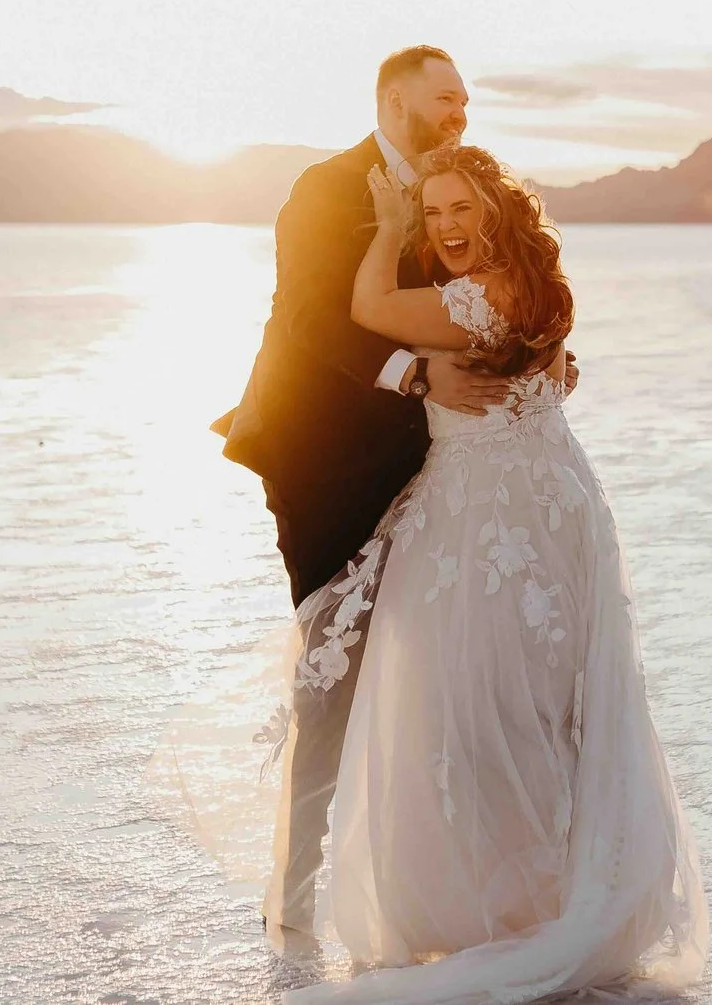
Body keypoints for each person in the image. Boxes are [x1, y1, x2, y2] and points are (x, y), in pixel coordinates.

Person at [264, 142, 706, 1003]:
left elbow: (363, 305)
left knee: (474, 716)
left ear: (499, 211)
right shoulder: (538, 288)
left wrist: (388, 228)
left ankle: (500, 909)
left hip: (492, 527)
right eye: (433, 213)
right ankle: (539, 890)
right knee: (534, 713)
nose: (446, 225)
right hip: (555, 511)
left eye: (461, 209)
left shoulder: (479, 297)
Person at [215, 46, 519, 930]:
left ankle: (419, 881)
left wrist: (530, 355)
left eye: (466, 100)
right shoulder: (326, 188)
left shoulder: (454, 190)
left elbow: (486, 296)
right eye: (445, 98)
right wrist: (416, 378)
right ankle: (297, 893)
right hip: (322, 461)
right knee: (332, 672)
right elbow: (307, 316)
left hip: (434, 461)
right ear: (394, 98)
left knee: (441, 668)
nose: (461, 112)